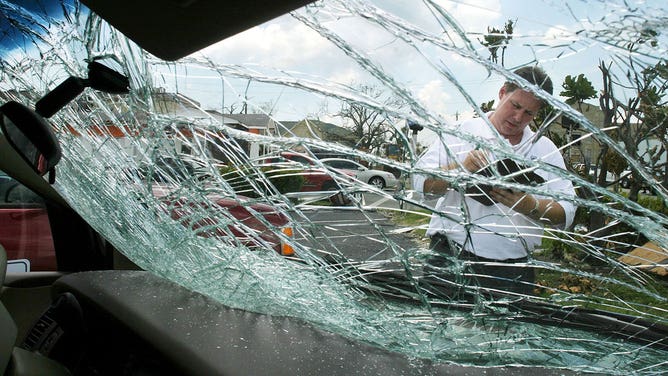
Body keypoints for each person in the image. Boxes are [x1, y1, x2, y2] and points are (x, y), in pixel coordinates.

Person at [413, 66, 576, 298]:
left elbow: (568, 213)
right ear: (502, 93)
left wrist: (529, 206)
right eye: (515, 105)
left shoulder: (544, 151)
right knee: (439, 331)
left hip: (511, 273)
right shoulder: (459, 132)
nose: (518, 118)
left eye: (529, 113)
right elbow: (420, 182)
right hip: (449, 261)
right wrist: (460, 169)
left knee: (504, 334)